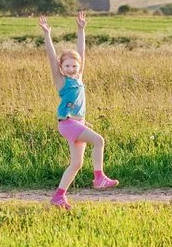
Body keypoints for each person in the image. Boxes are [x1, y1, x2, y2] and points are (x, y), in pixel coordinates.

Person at [38, 12, 119, 209]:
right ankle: (99, 178)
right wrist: (47, 34)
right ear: (61, 67)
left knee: (76, 164)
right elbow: (51, 56)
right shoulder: (61, 81)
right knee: (99, 140)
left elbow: (81, 52)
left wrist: (81, 29)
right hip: (67, 124)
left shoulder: (79, 77)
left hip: (76, 123)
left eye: (74, 66)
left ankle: (59, 196)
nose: (72, 69)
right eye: (67, 66)